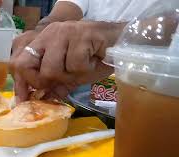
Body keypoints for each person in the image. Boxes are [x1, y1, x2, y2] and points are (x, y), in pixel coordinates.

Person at [10, 0, 159, 103]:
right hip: (83, 91)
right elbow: (65, 9)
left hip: (160, 96)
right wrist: (41, 33)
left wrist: (114, 34)